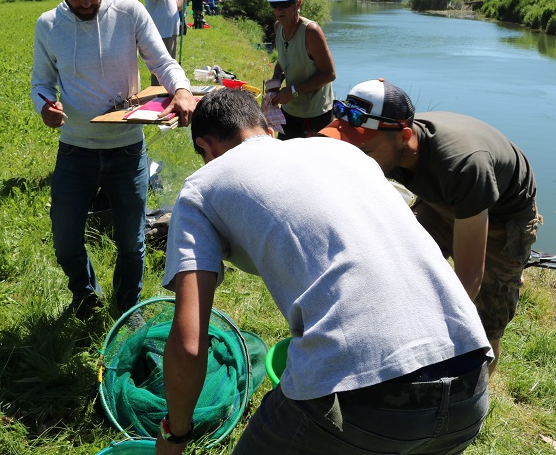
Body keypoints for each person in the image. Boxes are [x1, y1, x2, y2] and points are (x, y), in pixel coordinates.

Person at [157, 88, 492, 454]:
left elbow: (189, 345)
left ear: (206, 147)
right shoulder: (345, 152)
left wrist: (175, 434)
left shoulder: (202, 186)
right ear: (267, 130)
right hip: (470, 385)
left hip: (364, 399)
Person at [320, 78, 542, 374]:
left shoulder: (463, 165)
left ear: (404, 137)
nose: (355, 159)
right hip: (442, 199)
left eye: (365, 151)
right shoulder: (385, 146)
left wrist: (434, 334)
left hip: (500, 216)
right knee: (399, 265)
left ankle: (473, 393)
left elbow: (469, 277)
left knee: (482, 320)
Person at [30, 0, 195, 319]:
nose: (86, 2)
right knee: (65, 240)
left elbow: (163, 62)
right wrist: (45, 105)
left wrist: (182, 90)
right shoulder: (48, 25)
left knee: (132, 243)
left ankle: (127, 308)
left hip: (127, 149)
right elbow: (41, 82)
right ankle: (85, 295)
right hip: (76, 150)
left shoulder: (129, 12)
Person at [264, 0, 336, 140]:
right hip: (289, 110)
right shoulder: (278, 27)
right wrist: (276, 81)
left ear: (298, 4)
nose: (279, 9)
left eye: (285, 4)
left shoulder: (311, 31)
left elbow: (329, 74)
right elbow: (283, 59)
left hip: (315, 114)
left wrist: (293, 91)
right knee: (285, 154)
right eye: (275, 4)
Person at [144, 0, 189, 86]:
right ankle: (156, 93)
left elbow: (178, 7)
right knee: (160, 67)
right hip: (160, 34)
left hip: (171, 33)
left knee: (170, 67)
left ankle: (167, 91)